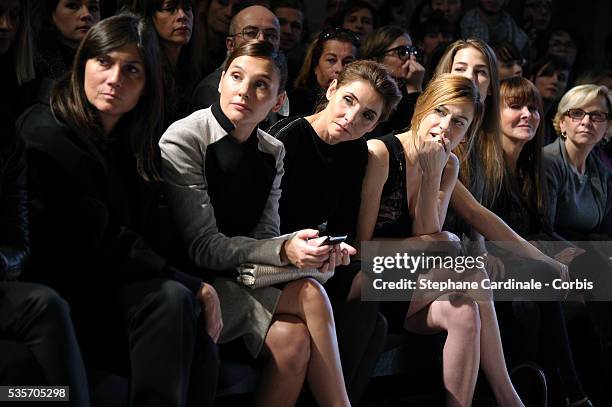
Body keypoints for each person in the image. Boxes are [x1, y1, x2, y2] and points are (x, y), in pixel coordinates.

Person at [17, 14, 219, 406]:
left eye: (131, 70)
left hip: (107, 284)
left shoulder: (130, 138)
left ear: (146, 85)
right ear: (83, 64)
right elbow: (101, 240)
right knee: (173, 300)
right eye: (104, 62)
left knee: (197, 333)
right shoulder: (45, 134)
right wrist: (196, 285)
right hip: (57, 290)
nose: (114, 79)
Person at [160, 40, 353, 406]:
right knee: (312, 294)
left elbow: (264, 233)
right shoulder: (184, 137)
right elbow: (201, 247)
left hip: (242, 276)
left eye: (261, 84)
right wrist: (286, 248)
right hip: (192, 280)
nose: (244, 91)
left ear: (279, 101)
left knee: (294, 342)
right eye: (236, 76)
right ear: (220, 81)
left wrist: (309, 251)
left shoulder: (271, 150)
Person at [356, 73, 525, 407]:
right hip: (369, 279)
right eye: (440, 112)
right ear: (422, 107)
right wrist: (429, 244)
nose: (446, 126)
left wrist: (433, 174)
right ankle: (509, 399)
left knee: (464, 313)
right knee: (474, 274)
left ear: (467, 131)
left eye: (458, 121)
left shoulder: (448, 164)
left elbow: (427, 233)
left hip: (417, 285)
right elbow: (363, 248)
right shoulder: (380, 152)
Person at [267, 60, 402, 403]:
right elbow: (263, 224)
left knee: (377, 320)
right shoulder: (290, 137)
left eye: (368, 116)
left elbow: (343, 224)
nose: (352, 118)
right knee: (367, 293)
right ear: (331, 90)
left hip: (317, 260)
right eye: (348, 101)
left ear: (376, 124)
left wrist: (337, 248)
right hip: (275, 258)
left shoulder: (356, 151)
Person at [491, 76, 592, 407]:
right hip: (490, 264)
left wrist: (585, 258)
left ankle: (586, 387)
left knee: (598, 273)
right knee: (547, 276)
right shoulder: (483, 163)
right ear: (494, 113)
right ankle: (573, 393)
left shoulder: (529, 167)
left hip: (526, 259)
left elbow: (542, 230)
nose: (527, 115)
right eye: (516, 106)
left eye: (533, 108)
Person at [191, 5, 282, 114]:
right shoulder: (211, 89)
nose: (261, 40)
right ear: (231, 44)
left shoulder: (275, 85)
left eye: (271, 35)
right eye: (250, 33)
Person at [130, 0, 203, 127]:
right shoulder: (145, 71)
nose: (182, 16)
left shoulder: (192, 66)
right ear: (149, 17)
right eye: (169, 8)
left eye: (187, 8)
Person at [360, 25, 425, 139]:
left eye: (412, 51)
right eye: (403, 52)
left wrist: (415, 88)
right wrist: (414, 88)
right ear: (375, 59)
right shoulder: (367, 92)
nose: (412, 59)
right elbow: (399, 135)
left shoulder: (405, 88)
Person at [291, 27, 358, 116]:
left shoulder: (359, 107)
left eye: (348, 62)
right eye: (331, 60)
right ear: (315, 65)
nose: (339, 69)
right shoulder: (296, 101)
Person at [33, 0, 101, 81]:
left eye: (93, 8)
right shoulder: (33, 62)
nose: (86, 14)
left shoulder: (108, 57)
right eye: (72, 6)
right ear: (51, 13)